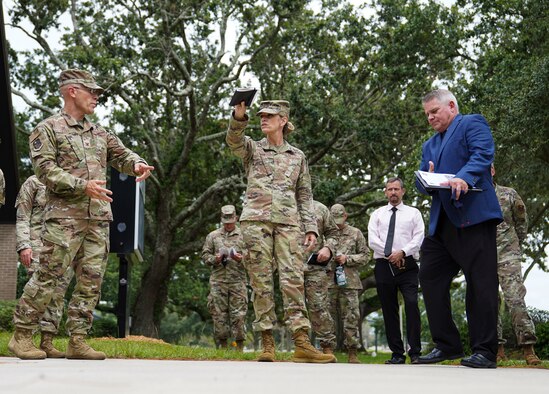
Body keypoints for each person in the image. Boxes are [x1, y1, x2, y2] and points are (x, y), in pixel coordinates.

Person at [9, 69, 154, 360]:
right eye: (92, 91)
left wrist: (137, 164)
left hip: (98, 219)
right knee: (48, 277)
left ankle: (77, 340)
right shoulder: (47, 129)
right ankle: (22, 336)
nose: (97, 97)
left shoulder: (99, 132)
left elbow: (122, 155)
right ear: (72, 91)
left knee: (91, 280)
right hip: (63, 219)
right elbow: (45, 170)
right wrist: (82, 185)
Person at [226, 99, 335, 363]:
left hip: (288, 224)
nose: (263, 119)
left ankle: (301, 343)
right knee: (261, 282)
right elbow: (233, 141)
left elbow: (305, 194)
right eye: (261, 115)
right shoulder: (253, 148)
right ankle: (267, 344)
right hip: (255, 223)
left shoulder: (297, 156)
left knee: (293, 280)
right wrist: (239, 117)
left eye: (269, 116)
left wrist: (311, 227)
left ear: (283, 121)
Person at [415, 89, 503, 368]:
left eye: (434, 112)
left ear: (451, 106)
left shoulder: (471, 123)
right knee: (429, 277)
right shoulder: (429, 145)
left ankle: (485, 351)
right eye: (427, 114)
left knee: (481, 284)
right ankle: (447, 345)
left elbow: (482, 154)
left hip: (473, 217)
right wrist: (425, 179)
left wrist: (463, 177)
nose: (429, 118)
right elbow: (420, 181)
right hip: (441, 224)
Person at [15, 175, 75, 358]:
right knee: (38, 291)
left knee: (57, 294)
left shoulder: (69, 181)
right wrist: (23, 245)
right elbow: (22, 216)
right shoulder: (33, 182)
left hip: (63, 247)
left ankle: (47, 341)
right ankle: (24, 339)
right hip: (37, 245)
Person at [368, 177, 424, 364]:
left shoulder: (414, 213)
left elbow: (418, 238)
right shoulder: (377, 214)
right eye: (390, 189)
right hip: (384, 265)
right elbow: (372, 239)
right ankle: (397, 353)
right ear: (385, 192)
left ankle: (415, 352)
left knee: (411, 303)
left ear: (403, 191)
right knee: (389, 309)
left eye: (396, 189)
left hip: (407, 265)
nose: (393, 192)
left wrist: (402, 252)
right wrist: (390, 253)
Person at [491, 164, 541, 365]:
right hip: (483, 258)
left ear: (493, 171)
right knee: (488, 303)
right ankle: (497, 349)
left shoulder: (508, 194)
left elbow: (521, 223)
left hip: (508, 256)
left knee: (515, 299)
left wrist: (514, 247)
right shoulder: (473, 196)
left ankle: (528, 349)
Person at [201, 205, 248, 351]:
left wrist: (240, 258)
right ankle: (222, 347)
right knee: (219, 315)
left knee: (238, 315)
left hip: (238, 281)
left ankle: (239, 348)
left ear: (236, 219)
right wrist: (215, 259)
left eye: (231, 221)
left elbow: (253, 259)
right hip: (218, 281)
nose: (228, 224)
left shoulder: (244, 235)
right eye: (225, 221)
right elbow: (205, 256)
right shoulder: (213, 236)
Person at [327, 203, 368, 363]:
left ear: (345, 216)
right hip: (328, 281)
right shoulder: (324, 234)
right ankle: (327, 349)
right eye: (333, 219)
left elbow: (366, 255)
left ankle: (352, 351)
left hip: (349, 282)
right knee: (326, 316)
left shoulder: (355, 233)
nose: (337, 223)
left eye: (340, 219)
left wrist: (348, 259)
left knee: (351, 316)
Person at [303, 200, 338, 354]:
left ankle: (327, 347)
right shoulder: (281, 204)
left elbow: (333, 233)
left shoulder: (320, 208)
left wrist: (328, 248)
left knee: (319, 307)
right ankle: (301, 345)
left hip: (315, 266)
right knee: (292, 307)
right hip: (289, 266)